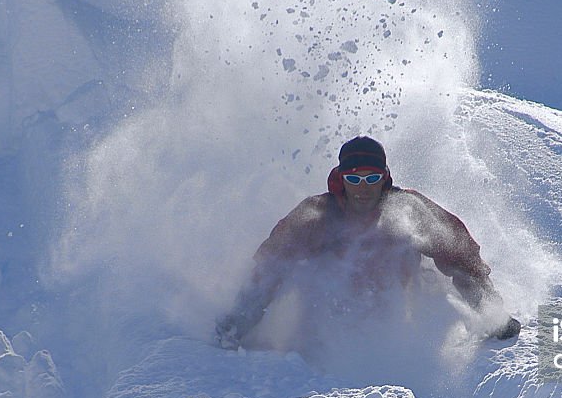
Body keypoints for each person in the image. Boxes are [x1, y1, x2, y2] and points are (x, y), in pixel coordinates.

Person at [215, 136, 522, 349]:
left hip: (395, 323)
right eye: (354, 178)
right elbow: (272, 265)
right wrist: (242, 317)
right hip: (327, 326)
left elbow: (460, 256)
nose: (363, 188)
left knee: (408, 258)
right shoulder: (317, 216)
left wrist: (491, 311)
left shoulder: (408, 210)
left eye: (372, 178)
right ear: (340, 177)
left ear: (384, 177)